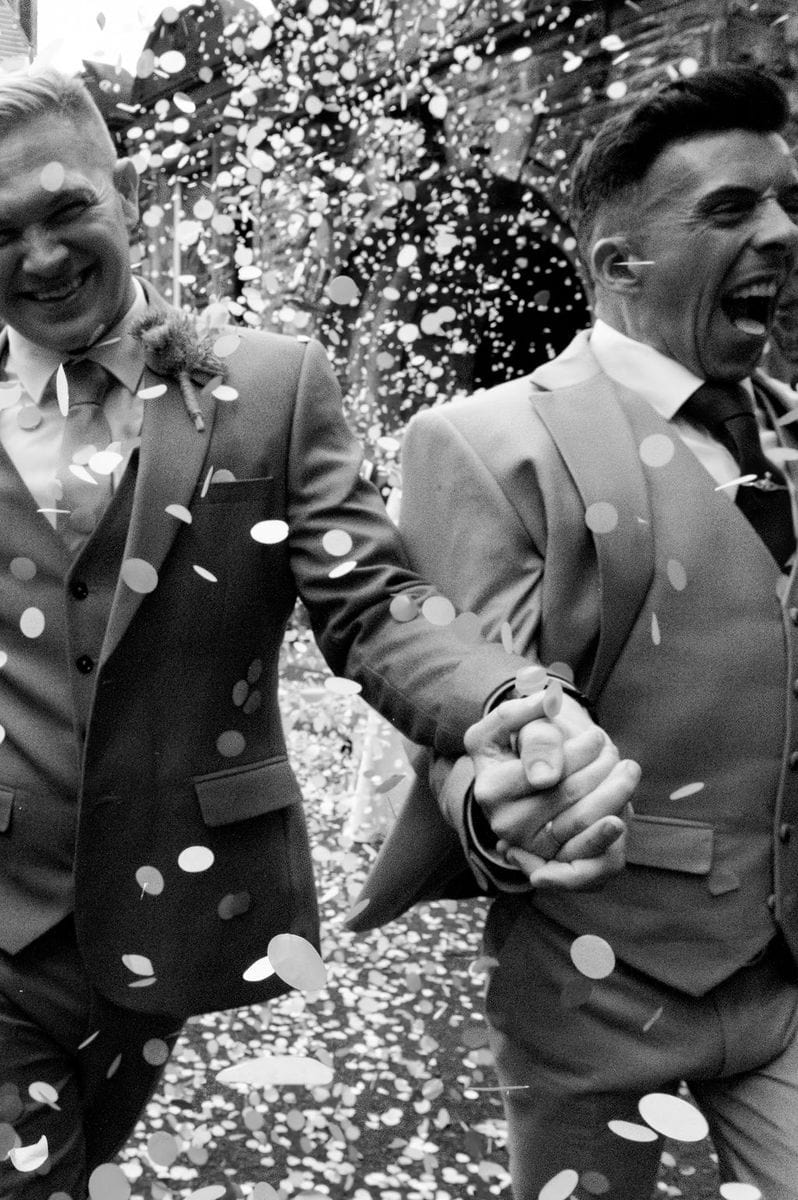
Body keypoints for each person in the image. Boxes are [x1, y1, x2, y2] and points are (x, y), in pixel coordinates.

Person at [0, 68, 638, 1199]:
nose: (40, 257)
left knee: (79, 1165)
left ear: (128, 193)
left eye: (65, 214)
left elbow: (376, 608)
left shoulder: (271, 388)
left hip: (169, 916)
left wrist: (501, 704)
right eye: (3, 233)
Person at [350, 66, 798, 1199]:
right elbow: (457, 694)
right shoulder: (485, 441)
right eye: (732, 209)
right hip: (598, 983)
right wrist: (506, 804)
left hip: (785, 983)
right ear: (617, 264)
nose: (783, 233)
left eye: (787, 199)